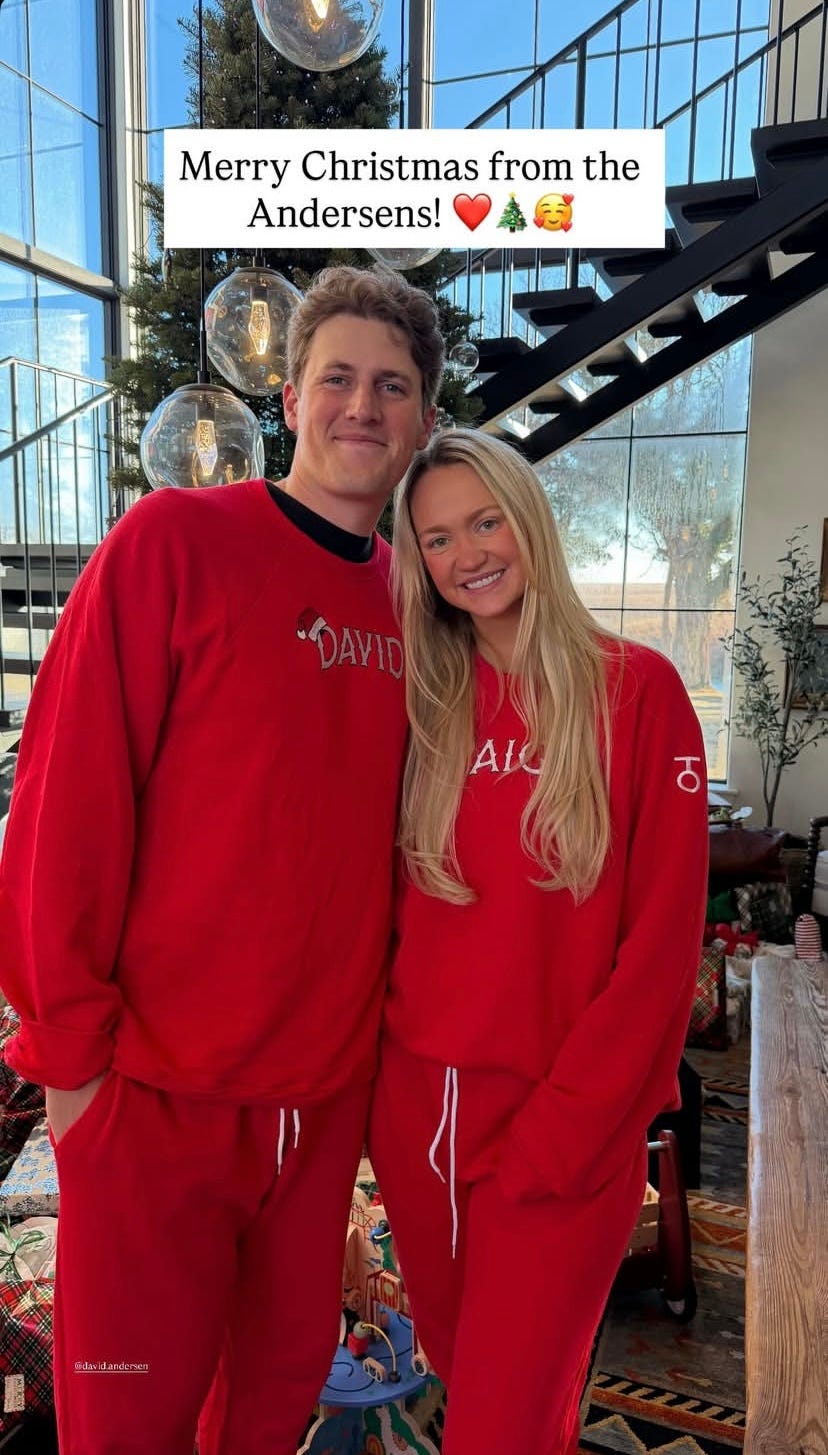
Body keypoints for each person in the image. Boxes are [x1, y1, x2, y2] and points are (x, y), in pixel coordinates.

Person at [0, 264, 439, 1455]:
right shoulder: (173, 544)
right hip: (154, 1096)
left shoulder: (420, 609)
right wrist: (70, 1061)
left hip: (319, 1103)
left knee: (268, 1409)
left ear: (425, 425)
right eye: (336, 378)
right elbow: (64, 806)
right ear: (288, 400)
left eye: (391, 387)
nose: (363, 406)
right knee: (128, 1417)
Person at [368, 428, 709, 1455]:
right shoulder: (421, 700)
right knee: (485, 1392)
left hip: (566, 1127)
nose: (467, 553)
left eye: (485, 521)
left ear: (530, 520)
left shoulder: (639, 693)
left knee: (498, 1426)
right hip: (422, 1122)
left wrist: (566, 1136)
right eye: (435, 539)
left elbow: (660, 949)